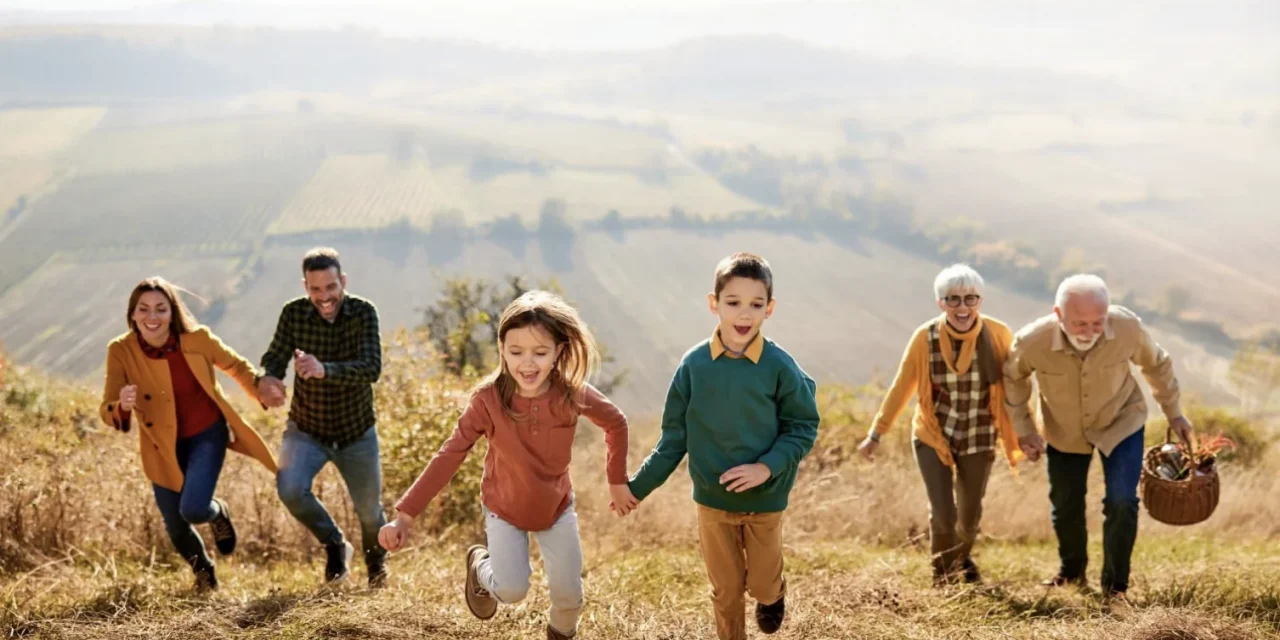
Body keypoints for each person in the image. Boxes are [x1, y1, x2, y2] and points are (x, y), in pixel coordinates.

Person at [379, 290, 632, 640]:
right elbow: (450, 454)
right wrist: (405, 515)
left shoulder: (570, 392)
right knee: (512, 590)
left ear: (559, 351)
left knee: (570, 598)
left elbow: (616, 422)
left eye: (540, 353)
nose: (527, 364)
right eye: (516, 352)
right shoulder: (487, 400)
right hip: (503, 509)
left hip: (556, 508)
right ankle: (479, 566)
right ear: (501, 349)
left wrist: (616, 481)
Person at [625, 252, 820, 640]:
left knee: (761, 586)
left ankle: (773, 593)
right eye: (733, 303)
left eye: (756, 304)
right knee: (726, 592)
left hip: (766, 499)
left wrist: (766, 467)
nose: (744, 314)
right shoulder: (694, 365)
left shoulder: (779, 366)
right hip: (712, 502)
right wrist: (635, 489)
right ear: (714, 304)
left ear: (770, 309)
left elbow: (803, 425)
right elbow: (674, 438)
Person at [1004, 274, 1193, 599]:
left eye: (1097, 322)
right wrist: (1025, 430)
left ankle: (1115, 587)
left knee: (1122, 502)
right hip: (1063, 429)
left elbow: (1157, 364)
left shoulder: (1127, 328)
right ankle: (1072, 570)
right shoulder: (1031, 341)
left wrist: (1174, 412)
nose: (1090, 331)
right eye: (1080, 323)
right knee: (1066, 505)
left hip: (1121, 420)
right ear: (1059, 314)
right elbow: (1013, 378)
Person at [99, 277, 278, 591]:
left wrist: (261, 388)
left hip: (206, 434)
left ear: (172, 313)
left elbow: (236, 366)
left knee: (194, 509)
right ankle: (204, 574)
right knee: (176, 525)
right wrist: (121, 405)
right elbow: (107, 406)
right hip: (160, 446)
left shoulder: (197, 339)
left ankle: (217, 512)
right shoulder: (120, 351)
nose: (152, 317)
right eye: (144, 309)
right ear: (133, 313)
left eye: (160, 309)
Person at [858, 264, 1022, 585]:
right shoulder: (925, 337)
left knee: (969, 516)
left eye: (970, 299)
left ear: (980, 300)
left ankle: (961, 559)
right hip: (933, 435)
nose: (962, 307)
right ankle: (942, 580)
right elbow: (901, 386)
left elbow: (1016, 387)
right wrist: (876, 434)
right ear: (940, 303)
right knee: (944, 514)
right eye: (953, 299)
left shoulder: (999, 334)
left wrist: (1026, 434)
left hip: (979, 435)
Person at [256, 247, 388, 587]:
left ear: (342, 281)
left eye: (331, 287)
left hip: (355, 431)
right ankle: (334, 544)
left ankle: (376, 570)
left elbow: (371, 368)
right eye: (316, 289)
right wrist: (269, 381)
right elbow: (275, 357)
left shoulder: (363, 313)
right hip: (307, 429)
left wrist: (323, 369)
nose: (324, 297)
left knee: (370, 513)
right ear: (306, 287)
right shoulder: (294, 314)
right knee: (290, 489)